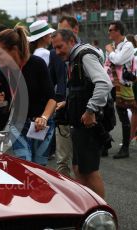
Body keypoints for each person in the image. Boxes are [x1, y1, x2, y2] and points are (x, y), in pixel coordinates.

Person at [52, 29, 112, 198]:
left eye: (60, 47)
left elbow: (104, 83)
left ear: (71, 41)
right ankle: (87, 208)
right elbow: (83, 88)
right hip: (79, 124)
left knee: (90, 171)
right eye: (54, 48)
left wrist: (90, 110)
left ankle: (101, 215)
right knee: (78, 168)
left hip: (89, 123)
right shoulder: (74, 58)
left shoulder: (84, 56)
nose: (57, 52)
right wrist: (69, 103)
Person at [0, 26, 56, 166]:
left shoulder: (37, 64)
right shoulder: (4, 70)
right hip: (18, 123)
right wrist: (1, 101)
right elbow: (3, 102)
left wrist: (44, 118)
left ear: (14, 51)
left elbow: (52, 98)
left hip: (41, 124)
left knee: (39, 168)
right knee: (25, 164)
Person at [51, 15, 80, 177]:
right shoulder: (54, 52)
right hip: (62, 110)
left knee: (81, 163)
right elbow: (51, 81)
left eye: (64, 29)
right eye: (58, 29)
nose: (60, 32)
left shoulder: (87, 51)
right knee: (62, 161)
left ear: (75, 30)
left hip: (81, 112)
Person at [104, 21, 135, 159]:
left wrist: (110, 52)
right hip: (111, 84)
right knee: (107, 113)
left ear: (118, 31)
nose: (109, 32)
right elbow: (107, 64)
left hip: (124, 85)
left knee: (124, 117)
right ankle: (105, 143)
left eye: (111, 30)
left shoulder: (128, 45)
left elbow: (118, 60)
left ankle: (126, 148)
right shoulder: (113, 46)